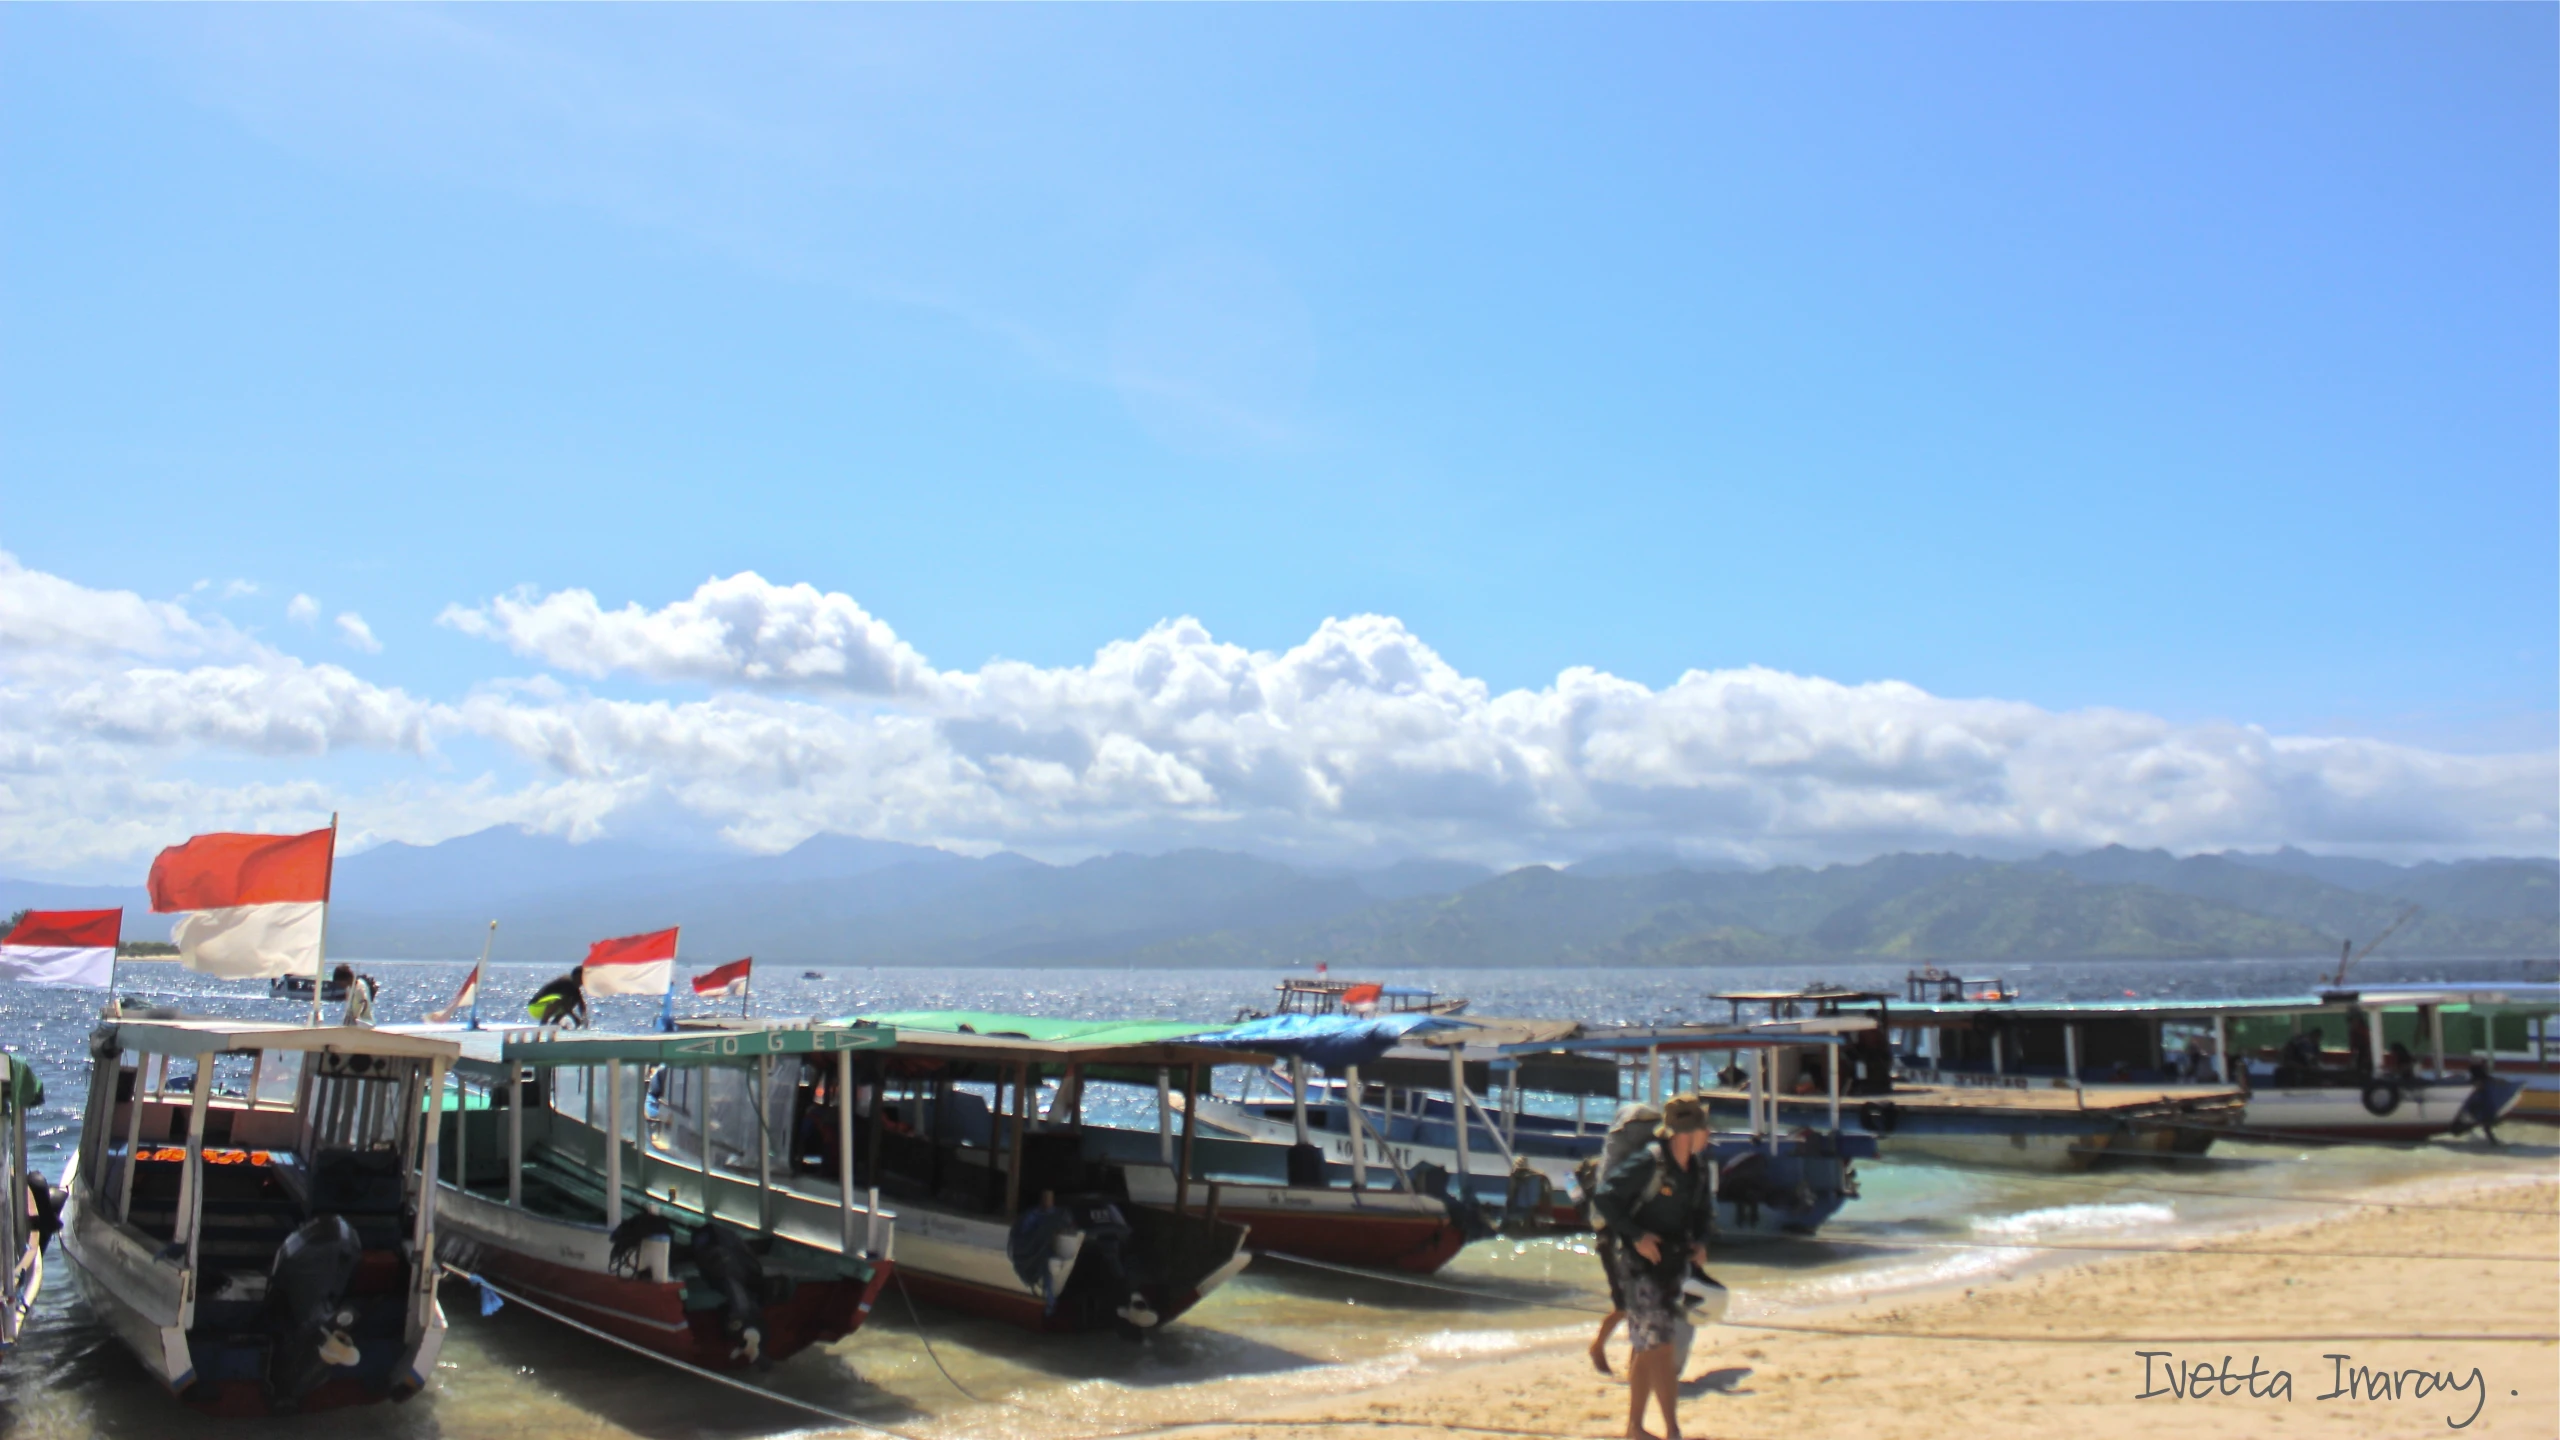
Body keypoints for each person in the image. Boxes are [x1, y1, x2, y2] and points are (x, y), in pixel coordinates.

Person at [1594, 1093, 1717, 1440]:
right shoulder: (1649, 1163)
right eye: (1704, 1128)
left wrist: (1702, 1242)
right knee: (1658, 1347)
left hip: (1674, 1266)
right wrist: (1636, 1236)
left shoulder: (1697, 1169)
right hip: (1640, 1266)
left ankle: (1656, 1429)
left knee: (1657, 1349)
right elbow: (1604, 1197)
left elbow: (1704, 1212)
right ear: (1686, 1132)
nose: (1708, 1134)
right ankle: (1655, 1429)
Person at [1571, 1155, 1627, 1375]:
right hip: (1612, 1244)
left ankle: (1604, 1349)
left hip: (1612, 1242)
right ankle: (1598, 1347)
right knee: (1625, 1307)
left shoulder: (1601, 1172)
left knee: (1630, 1306)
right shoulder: (1608, 1175)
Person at [2448, 1062, 2505, 1146]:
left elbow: (2496, 1081)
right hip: (2482, 1108)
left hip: (2480, 1108)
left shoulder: (2476, 1082)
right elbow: (2496, 1081)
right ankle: (2492, 1141)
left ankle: (2491, 1140)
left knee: (2483, 1124)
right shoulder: (2482, 1082)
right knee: (2483, 1124)